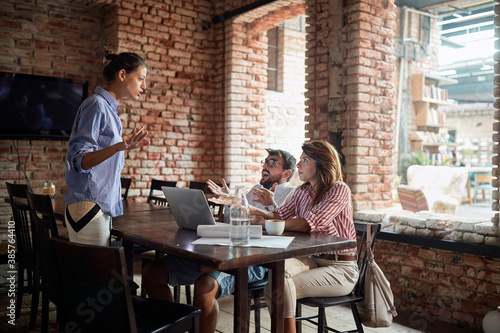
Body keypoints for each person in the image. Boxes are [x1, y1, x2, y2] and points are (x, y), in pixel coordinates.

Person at [142, 148, 297, 333]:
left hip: (257, 261)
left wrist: (270, 206)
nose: (265, 166)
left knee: (205, 284)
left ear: (287, 173)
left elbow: (283, 228)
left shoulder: (292, 194)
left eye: (272, 163)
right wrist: (230, 202)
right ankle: (174, 329)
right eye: (265, 162)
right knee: (152, 271)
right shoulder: (256, 189)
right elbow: (234, 219)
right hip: (227, 250)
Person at [251, 140, 357, 333]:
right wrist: (252, 212)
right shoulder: (302, 191)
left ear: (322, 163)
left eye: (305, 160)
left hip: (340, 268)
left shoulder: (339, 189)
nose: (298, 165)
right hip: (312, 259)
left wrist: (265, 223)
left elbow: (308, 223)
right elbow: (279, 215)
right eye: (300, 160)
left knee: (278, 286)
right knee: (276, 274)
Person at [64, 48, 150, 246]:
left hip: (96, 206)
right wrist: (119, 145)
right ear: (122, 75)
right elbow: (81, 161)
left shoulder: (109, 109)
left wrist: (122, 144)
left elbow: (100, 151)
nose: (144, 86)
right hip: (89, 207)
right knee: (91, 277)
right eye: (140, 78)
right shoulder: (96, 105)